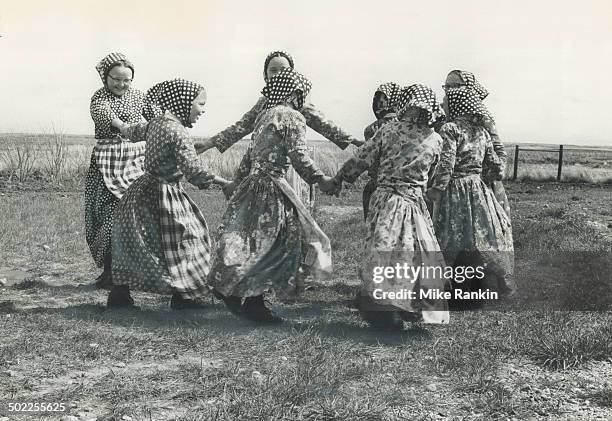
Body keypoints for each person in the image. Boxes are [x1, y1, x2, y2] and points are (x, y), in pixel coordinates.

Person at [209, 69, 336, 323]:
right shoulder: (294, 117)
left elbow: (249, 153)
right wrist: (320, 178)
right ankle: (254, 303)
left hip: (252, 185)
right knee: (278, 244)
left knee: (249, 240)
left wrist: (237, 181)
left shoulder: (264, 115)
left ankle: (234, 287)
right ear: (295, 94)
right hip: (273, 188)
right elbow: (299, 154)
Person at [329, 84, 450, 329]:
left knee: (383, 251)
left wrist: (339, 179)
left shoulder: (388, 130)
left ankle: (383, 308)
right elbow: (435, 173)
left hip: (385, 200)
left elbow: (362, 158)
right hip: (415, 202)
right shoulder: (435, 139)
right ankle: (406, 307)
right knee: (414, 253)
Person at [107, 79, 229, 309]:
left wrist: (118, 123)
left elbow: (133, 131)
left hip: (141, 192)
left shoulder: (157, 122)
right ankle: (183, 296)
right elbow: (193, 170)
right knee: (189, 238)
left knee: (142, 242)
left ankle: (120, 294)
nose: (202, 110)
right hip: (165, 194)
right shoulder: (176, 130)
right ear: (184, 102)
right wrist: (224, 182)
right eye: (200, 104)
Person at [196, 51, 363, 203]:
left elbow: (324, 124)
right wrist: (208, 144)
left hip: (292, 169)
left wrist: (354, 140)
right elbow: (241, 126)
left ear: (292, 74)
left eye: (283, 69)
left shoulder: (298, 105)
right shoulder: (263, 104)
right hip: (266, 170)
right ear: (265, 75)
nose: (278, 74)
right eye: (273, 70)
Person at [428, 87, 516, 302]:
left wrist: (436, 189)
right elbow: (496, 166)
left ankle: (440, 289)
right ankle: (496, 284)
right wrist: (481, 179)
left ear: (457, 104)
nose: (442, 105)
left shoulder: (450, 129)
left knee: (449, 236)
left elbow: (446, 164)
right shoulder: (482, 132)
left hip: (455, 189)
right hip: (478, 190)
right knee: (483, 236)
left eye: (446, 100)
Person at [85, 52, 162, 290]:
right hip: (106, 161)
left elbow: (157, 117)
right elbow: (104, 114)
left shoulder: (140, 96)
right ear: (105, 77)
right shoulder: (100, 97)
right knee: (106, 215)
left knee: (132, 215)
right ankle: (109, 271)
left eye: (126, 80)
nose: (121, 84)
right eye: (116, 79)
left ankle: (129, 273)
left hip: (134, 162)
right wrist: (123, 126)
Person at [443, 70, 510, 215]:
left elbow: (500, 154)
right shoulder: (445, 115)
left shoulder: (483, 119)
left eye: (455, 85)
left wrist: (486, 175)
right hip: (448, 184)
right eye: (446, 86)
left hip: (481, 184)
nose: (449, 90)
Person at [361, 82, 401, 219]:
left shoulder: (371, 130)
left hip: (377, 187)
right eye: (378, 99)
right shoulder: (410, 128)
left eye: (384, 99)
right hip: (402, 190)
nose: (380, 103)